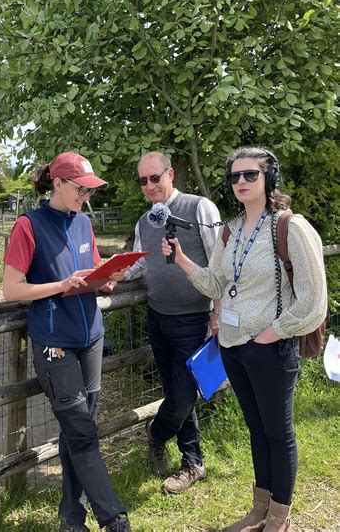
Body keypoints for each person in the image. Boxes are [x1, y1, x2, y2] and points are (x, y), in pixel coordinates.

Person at [161, 146, 327, 531]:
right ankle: (260, 509)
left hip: (271, 348)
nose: (240, 182)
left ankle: (279, 519)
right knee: (257, 430)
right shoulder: (230, 231)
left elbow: (314, 299)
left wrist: (274, 332)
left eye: (250, 175)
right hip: (232, 347)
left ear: (269, 178)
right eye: (234, 176)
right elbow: (216, 283)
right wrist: (184, 259)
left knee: (278, 433)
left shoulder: (290, 226)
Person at [3, 152, 131, 532]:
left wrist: (109, 277)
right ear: (57, 183)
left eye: (90, 191)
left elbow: (92, 275)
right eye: (81, 189)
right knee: (82, 429)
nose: (86, 197)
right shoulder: (28, 226)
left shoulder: (83, 223)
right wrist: (60, 286)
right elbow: (11, 289)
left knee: (79, 429)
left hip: (91, 335)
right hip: (53, 340)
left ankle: (71, 518)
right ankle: (113, 518)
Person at [124, 151, 221, 494]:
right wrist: (115, 275)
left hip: (194, 318)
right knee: (174, 392)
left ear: (171, 174)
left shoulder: (199, 208)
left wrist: (218, 311)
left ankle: (155, 434)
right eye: (142, 181)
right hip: (158, 317)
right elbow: (141, 264)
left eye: (155, 178)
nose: (149, 186)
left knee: (182, 396)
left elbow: (218, 263)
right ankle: (193, 462)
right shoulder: (144, 221)